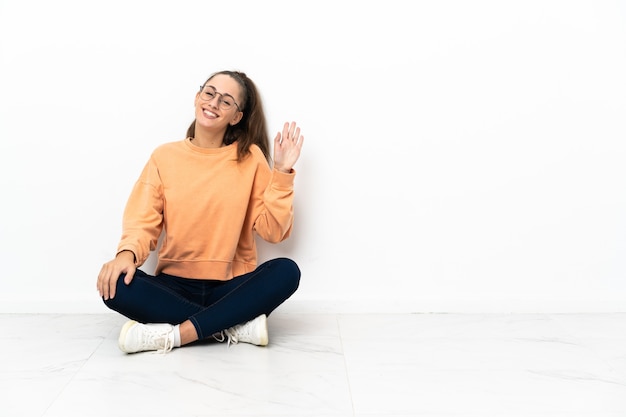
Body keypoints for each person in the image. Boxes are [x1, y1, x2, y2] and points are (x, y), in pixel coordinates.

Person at [96, 70, 304, 354]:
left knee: (286, 272)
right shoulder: (164, 157)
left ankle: (177, 335)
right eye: (209, 92)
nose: (214, 102)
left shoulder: (250, 159)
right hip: (174, 287)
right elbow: (142, 221)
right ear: (197, 97)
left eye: (227, 100)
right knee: (116, 284)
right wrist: (126, 255)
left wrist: (280, 172)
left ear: (236, 117)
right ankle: (231, 325)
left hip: (230, 286)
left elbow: (274, 231)